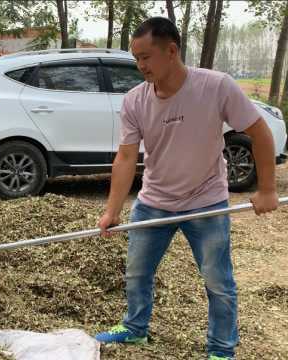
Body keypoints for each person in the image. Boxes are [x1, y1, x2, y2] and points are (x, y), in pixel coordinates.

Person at [94, 17, 278, 360]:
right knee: (137, 271)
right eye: (136, 58)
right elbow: (125, 156)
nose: (140, 66)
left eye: (146, 57)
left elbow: (260, 132)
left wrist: (267, 189)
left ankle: (221, 350)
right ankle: (135, 328)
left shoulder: (216, 86)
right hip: (154, 201)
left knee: (218, 281)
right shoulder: (135, 100)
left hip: (206, 201)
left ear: (172, 50)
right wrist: (112, 211)